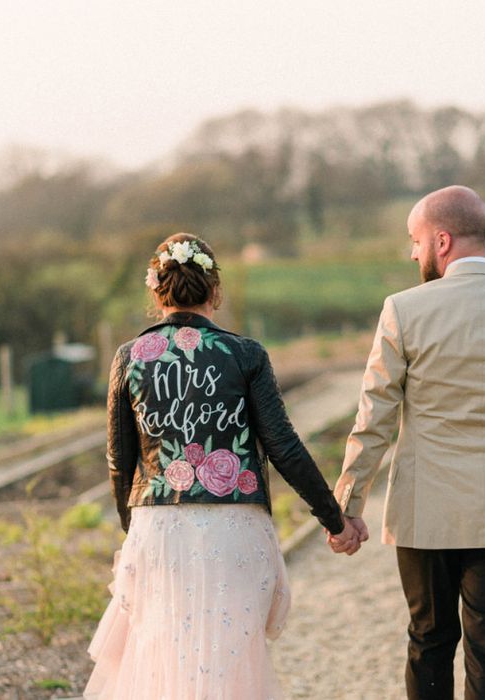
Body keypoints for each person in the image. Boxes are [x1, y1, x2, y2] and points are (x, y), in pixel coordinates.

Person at [328, 186, 485, 699]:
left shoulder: (402, 310)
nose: (413, 252)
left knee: (428, 641)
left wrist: (347, 505)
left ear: (441, 241)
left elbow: (373, 416)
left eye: (416, 240)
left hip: (425, 511)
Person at [84, 232, 359, 699]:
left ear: (156, 291)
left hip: (158, 529)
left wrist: (135, 529)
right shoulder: (245, 354)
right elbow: (284, 447)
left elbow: (119, 460)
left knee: (162, 662)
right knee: (229, 661)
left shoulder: (129, 358)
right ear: (215, 291)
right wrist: (335, 519)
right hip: (235, 526)